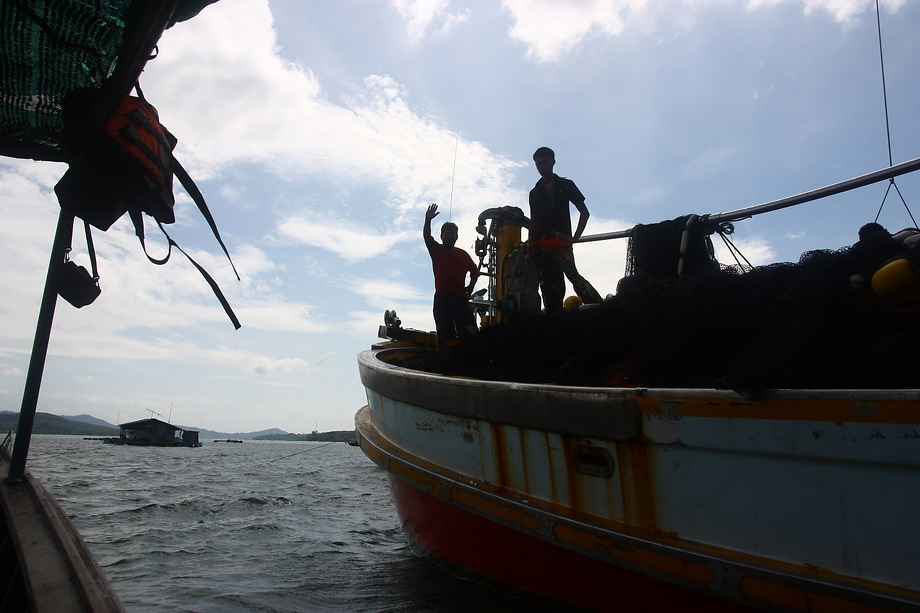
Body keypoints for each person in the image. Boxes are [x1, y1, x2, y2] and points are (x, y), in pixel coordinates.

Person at [526, 146, 602, 312]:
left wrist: (574, 238)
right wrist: (530, 249)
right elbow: (534, 220)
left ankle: (599, 307)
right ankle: (555, 314)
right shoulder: (534, 192)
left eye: (545, 162)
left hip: (560, 241)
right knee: (547, 282)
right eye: (538, 164)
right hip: (540, 244)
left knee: (573, 276)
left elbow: (584, 213)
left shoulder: (566, 185)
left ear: (553, 162)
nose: (542, 167)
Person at [424, 203, 480, 348]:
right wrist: (428, 220)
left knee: (470, 334)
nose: (449, 236)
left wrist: (471, 287)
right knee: (444, 337)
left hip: (461, 301)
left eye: (452, 234)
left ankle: (469, 364)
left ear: (457, 236)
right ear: (441, 236)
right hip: (442, 300)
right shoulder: (436, 250)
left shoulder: (463, 254)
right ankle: (445, 365)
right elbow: (426, 236)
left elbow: (475, 272)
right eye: (446, 234)